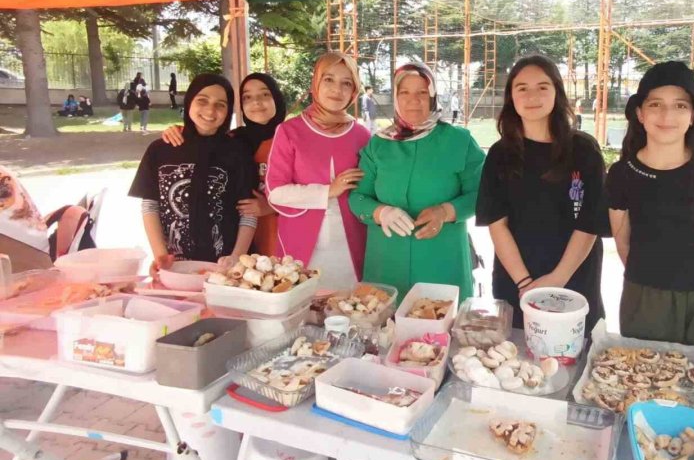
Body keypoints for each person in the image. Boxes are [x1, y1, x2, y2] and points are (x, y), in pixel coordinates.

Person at [605, 62, 694, 365]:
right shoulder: (622, 173)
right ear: (640, 114)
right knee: (647, 382)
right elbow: (623, 243)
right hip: (646, 300)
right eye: (656, 105)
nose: (667, 116)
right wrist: (658, 282)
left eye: (679, 105)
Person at [476, 54, 607, 330]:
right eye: (522, 88)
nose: (532, 95)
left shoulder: (584, 150)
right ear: (511, 96)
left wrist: (557, 279)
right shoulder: (500, 154)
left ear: (556, 92)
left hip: (574, 278)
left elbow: (589, 223)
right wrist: (526, 284)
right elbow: (497, 225)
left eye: (542, 87)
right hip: (517, 280)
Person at [350, 62, 484, 300]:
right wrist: (380, 212)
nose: (414, 100)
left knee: (440, 328)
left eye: (422, 92)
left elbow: (482, 193)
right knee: (384, 330)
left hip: (442, 262)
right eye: (405, 93)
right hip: (386, 264)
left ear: (432, 96)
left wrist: (446, 211)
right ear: (396, 97)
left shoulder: (459, 141)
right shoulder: (378, 144)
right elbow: (358, 197)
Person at [129, 73, 257, 271]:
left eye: (221, 104)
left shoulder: (237, 152)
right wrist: (161, 255)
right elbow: (150, 205)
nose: (210, 110)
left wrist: (236, 257)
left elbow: (248, 212)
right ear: (189, 102)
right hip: (176, 266)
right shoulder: (161, 149)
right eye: (202, 101)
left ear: (229, 110)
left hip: (224, 268)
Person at [266, 54, 370, 289]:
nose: (337, 89)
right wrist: (328, 191)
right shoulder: (289, 131)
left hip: (350, 248)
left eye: (347, 83)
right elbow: (275, 192)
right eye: (329, 79)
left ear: (354, 90)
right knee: (300, 313)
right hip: (300, 246)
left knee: (349, 313)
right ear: (316, 82)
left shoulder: (362, 135)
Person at [160, 73, 289, 258]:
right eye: (247, 97)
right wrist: (179, 132)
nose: (256, 102)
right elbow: (202, 140)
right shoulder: (233, 141)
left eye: (265, 94)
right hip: (234, 239)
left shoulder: (293, 140)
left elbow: (313, 191)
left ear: (277, 98)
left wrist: (271, 207)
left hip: (280, 235)